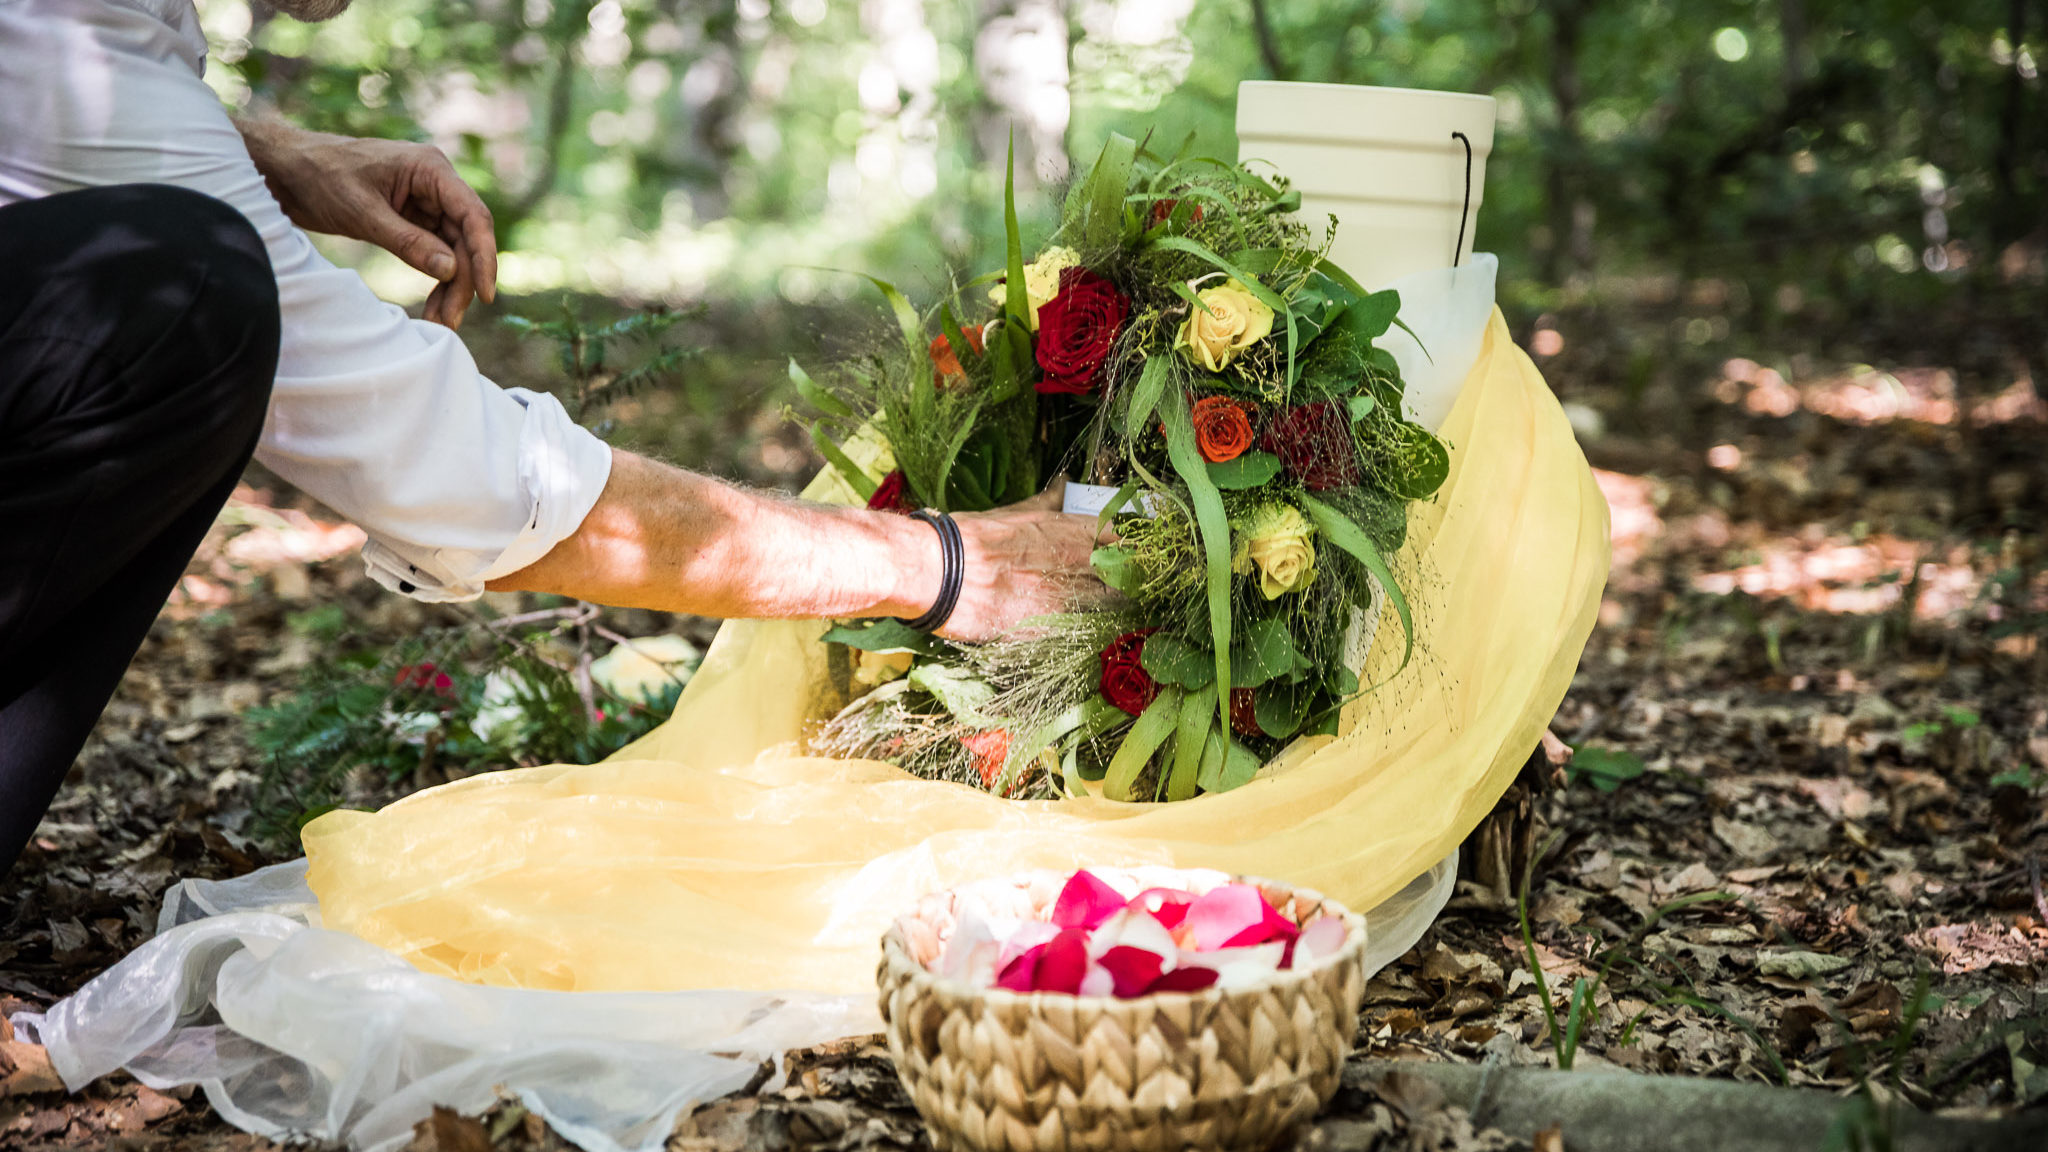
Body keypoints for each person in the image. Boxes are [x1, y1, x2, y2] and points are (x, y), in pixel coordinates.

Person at [0, 0, 1103, 874]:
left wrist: (264, 157)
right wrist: (940, 564)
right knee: (189, 294)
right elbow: (448, 464)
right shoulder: (74, 50)